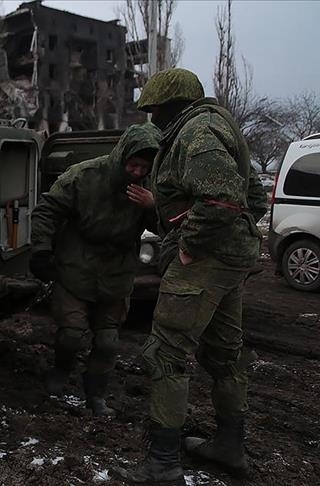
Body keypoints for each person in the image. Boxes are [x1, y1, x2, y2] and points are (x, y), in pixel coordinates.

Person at [112, 68, 267, 484]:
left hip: (205, 261)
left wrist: (188, 245)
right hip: (230, 260)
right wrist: (234, 238)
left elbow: (221, 199)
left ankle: (163, 464)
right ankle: (229, 447)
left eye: (155, 110)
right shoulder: (220, 126)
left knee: (166, 353)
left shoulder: (196, 132)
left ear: (171, 106)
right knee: (224, 355)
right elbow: (253, 198)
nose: (153, 119)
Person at [28, 123, 161, 417]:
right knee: (71, 333)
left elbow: (167, 225)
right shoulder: (85, 175)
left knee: (107, 341)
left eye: (144, 168)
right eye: (133, 165)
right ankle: (61, 371)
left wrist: (153, 206)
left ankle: (96, 393)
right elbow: (47, 210)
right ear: (122, 156)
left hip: (117, 272)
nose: (137, 172)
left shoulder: (152, 187)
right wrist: (41, 250)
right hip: (76, 265)